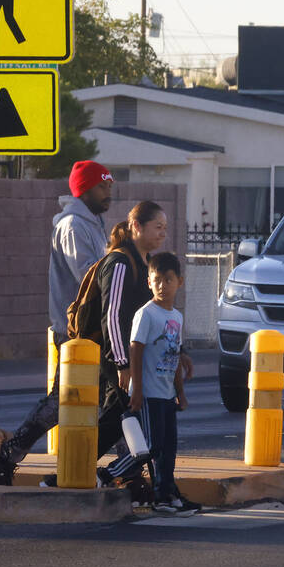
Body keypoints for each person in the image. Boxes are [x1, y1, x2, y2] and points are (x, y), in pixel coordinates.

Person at [0, 161, 114, 486]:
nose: (109, 191)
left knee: (106, 399)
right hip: (77, 333)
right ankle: (4, 459)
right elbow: (90, 278)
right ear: (85, 189)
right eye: (102, 186)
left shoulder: (92, 223)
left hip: (94, 332)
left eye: (109, 185)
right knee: (66, 401)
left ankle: (120, 466)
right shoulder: (72, 226)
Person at [95, 202, 169, 496]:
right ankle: (73, 473)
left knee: (125, 422)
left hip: (139, 361)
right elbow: (111, 316)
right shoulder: (121, 263)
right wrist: (121, 363)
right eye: (158, 227)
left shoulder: (145, 262)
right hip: (120, 361)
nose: (163, 233)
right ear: (137, 227)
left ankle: (138, 481)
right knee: (123, 420)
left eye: (165, 227)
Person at [127, 252, 201, 515]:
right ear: (149, 282)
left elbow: (174, 358)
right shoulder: (146, 314)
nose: (162, 285)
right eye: (157, 280)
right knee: (153, 446)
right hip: (148, 393)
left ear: (179, 282)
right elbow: (136, 349)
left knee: (169, 447)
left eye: (168, 280)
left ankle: (168, 493)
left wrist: (180, 394)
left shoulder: (177, 318)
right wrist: (137, 389)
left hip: (166, 393)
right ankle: (156, 494)